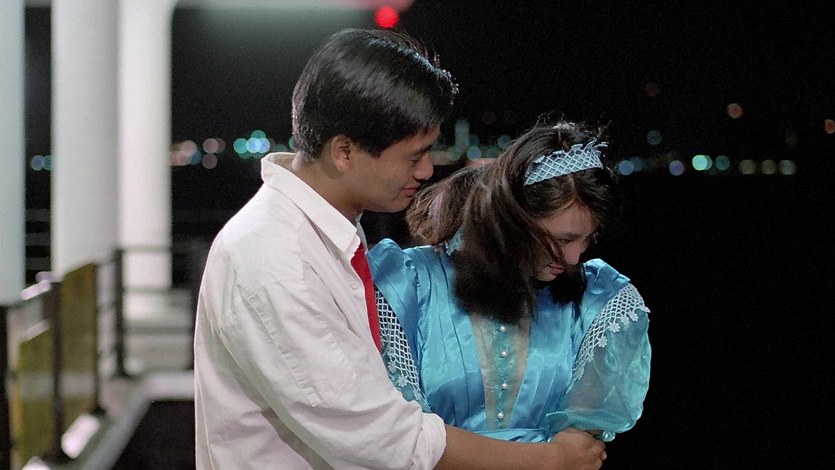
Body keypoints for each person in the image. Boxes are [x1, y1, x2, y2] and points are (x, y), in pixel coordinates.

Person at [193, 29, 607, 469]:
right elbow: (381, 437)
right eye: (414, 155)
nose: (427, 170)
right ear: (344, 152)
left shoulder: (321, 234)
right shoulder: (274, 260)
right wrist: (549, 460)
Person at [369, 120, 651, 445]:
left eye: (586, 239)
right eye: (562, 239)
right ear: (510, 220)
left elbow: (578, 451)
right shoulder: (408, 285)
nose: (574, 258)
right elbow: (400, 440)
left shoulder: (598, 301)